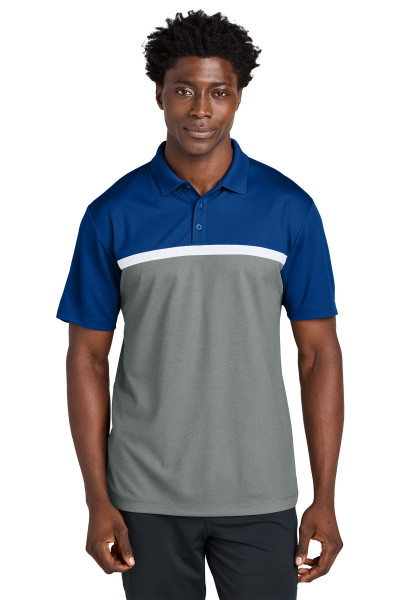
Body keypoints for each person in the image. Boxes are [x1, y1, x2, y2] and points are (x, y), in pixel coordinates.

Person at [56, 9, 344, 600]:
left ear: (239, 98)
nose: (201, 109)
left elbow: (318, 354)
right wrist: (97, 499)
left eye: (219, 92)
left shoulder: (289, 208)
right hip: (143, 497)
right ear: (159, 94)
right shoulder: (111, 213)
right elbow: (86, 358)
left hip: (261, 492)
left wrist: (326, 496)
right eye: (184, 90)